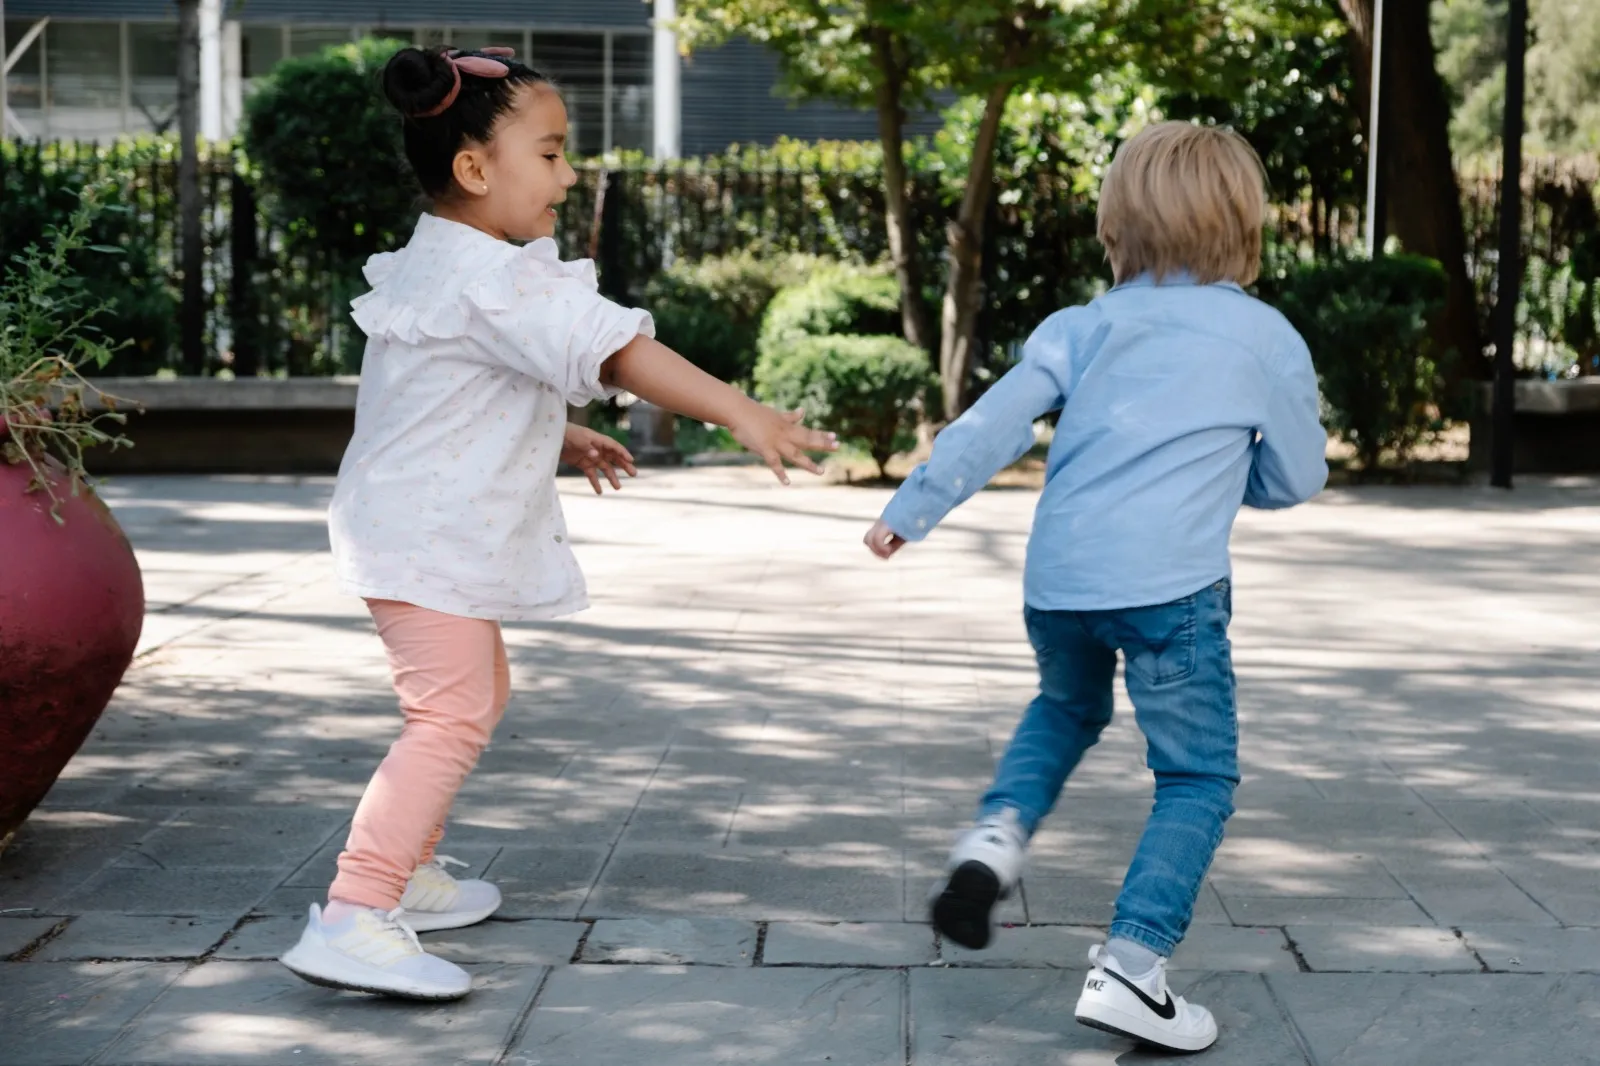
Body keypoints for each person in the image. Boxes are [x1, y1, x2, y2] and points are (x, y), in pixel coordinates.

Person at [279, 44, 836, 1001]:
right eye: (551, 152)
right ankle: (354, 911)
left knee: (472, 700)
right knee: (448, 715)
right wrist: (741, 411)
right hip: (421, 539)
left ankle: (403, 872)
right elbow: (618, 350)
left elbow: (447, 391)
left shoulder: (444, 259)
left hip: (410, 530)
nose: (569, 174)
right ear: (474, 168)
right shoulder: (500, 278)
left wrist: (560, 432)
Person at [863, 121, 1327, 1053]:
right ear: (1246, 225)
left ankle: (992, 843)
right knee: (1195, 776)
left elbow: (992, 424)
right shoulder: (1264, 337)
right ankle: (1133, 966)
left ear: (1118, 225)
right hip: (1174, 591)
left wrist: (910, 511)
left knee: (1065, 710)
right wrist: (1229, 475)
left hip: (1061, 579)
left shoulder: (1082, 326)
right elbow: (1296, 476)